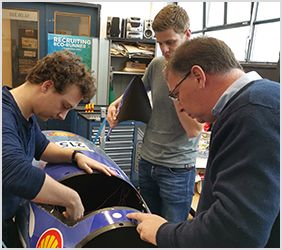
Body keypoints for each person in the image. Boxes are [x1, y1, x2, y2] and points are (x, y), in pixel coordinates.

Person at [127, 36, 280, 247]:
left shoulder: (253, 113)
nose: (178, 105)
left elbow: (236, 233)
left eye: (177, 94)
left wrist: (163, 233)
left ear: (198, 76)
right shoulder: (258, 102)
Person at [2, 50, 116, 247]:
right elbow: (13, 171)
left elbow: (42, 147)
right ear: (47, 86)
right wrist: (71, 198)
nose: (63, 116)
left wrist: (75, 156)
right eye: (64, 105)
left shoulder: (25, 115)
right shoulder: (4, 116)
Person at [107, 4, 202, 223]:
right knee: (146, 228)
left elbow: (193, 130)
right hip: (148, 162)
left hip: (177, 170)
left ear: (187, 35)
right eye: (160, 43)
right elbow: (136, 92)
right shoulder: (157, 63)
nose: (165, 50)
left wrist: (174, 87)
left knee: (171, 235)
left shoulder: (198, 74)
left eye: (171, 42)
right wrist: (116, 104)